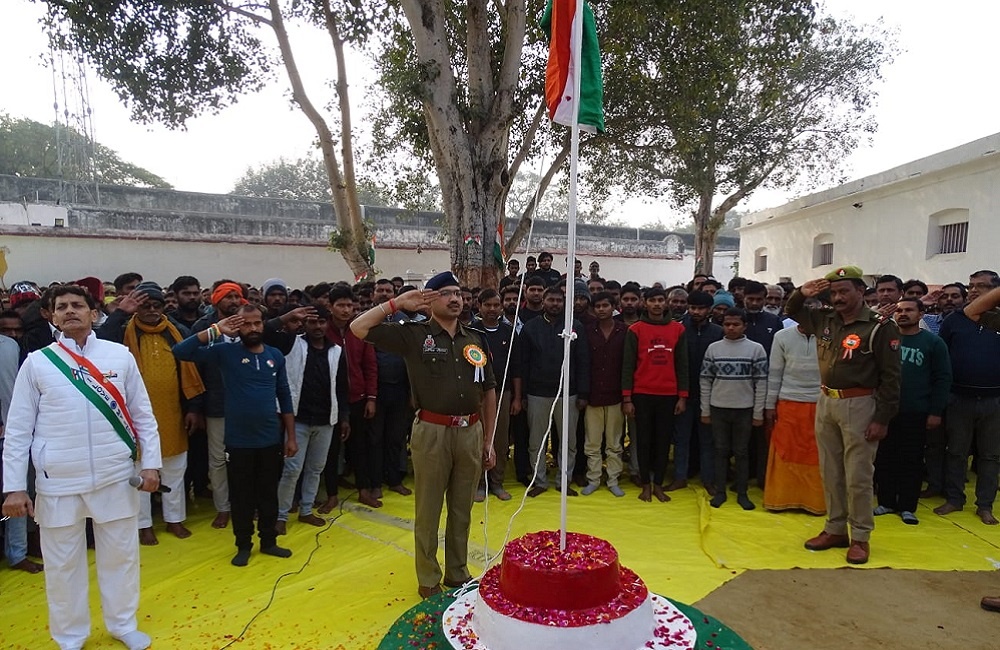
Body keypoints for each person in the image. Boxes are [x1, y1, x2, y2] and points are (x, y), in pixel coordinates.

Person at [2, 284, 162, 650]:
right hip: (58, 481)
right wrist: (14, 486)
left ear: (94, 313)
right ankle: (70, 635)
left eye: (78, 305)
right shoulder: (38, 362)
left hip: (115, 476)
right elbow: (18, 429)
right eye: (62, 307)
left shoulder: (119, 356)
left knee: (121, 558)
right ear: (50, 315)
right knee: (62, 567)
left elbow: (143, 415)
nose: (70, 310)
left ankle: (123, 625)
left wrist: (151, 464)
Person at [350, 271, 497, 599]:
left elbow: (488, 390)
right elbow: (358, 328)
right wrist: (396, 303)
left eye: (458, 293)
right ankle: (428, 577)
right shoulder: (413, 335)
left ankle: (457, 573)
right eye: (446, 293)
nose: (455, 299)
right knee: (429, 510)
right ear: (430, 300)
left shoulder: (474, 338)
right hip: (432, 431)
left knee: (462, 509)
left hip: (471, 431)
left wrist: (488, 440)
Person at [786, 266, 901, 565]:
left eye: (844, 291)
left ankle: (861, 537)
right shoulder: (824, 318)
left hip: (861, 404)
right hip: (826, 401)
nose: (837, 297)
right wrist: (802, 292)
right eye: (833, 292)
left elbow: (891, 377)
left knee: (859, 476)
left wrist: (882, 418)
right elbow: (792, 310)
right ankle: (835, 529)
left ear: (861, 292)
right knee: (831, 471)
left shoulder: (879, 325)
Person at [173, 304, 297, 567]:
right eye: (246, 324)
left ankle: (269, 542)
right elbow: (181, 351)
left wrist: (291, 437)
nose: (252, 329)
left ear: (264, 325)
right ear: (238, 327)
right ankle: (243, 544)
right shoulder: (225, 352)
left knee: (268, 494)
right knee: (241, 496)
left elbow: (284, 396)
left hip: (269, 440)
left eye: (257, 323)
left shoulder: (275, 355)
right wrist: (216, 330)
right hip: (239, 441)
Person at [119, 282, 205, 546]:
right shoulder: (124, 332)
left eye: (157, 305)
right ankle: (144, 525)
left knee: (175, 469)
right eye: (146, 306)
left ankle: (174, 519)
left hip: (173, 413)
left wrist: (193, 408)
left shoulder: (176, 331)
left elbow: (191, 370)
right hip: (135, 417)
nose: (152, 311)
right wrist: (122, 313)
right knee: (140, 471)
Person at [873, 298, 950, 525]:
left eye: (909, 310)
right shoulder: (885, 338)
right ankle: (886, 502)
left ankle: (907, 506)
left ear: (921, 314)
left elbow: (943, 378)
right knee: (885, 457)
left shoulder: (933, 343)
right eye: (899, 310)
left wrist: (936, 411)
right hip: (885, 410)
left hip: (916, 410)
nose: (903, 314)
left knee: (912, 459)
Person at [276, 307, 349, 535]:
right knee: (291, 469)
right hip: (297, 418)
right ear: (304, 324)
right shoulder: (292, 344)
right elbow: (269, 331)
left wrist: (344, 418)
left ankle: (307, 509)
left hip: (327, 419)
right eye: (312, 322)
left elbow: (342, 387)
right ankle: (281, 514)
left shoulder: (337, 350)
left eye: (322, 323)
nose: (317, 327)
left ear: (328, 324)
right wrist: (288, 318)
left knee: (316, 468)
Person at [935, 271, 1000, 525]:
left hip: (994, 400)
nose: (973, 290)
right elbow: (942, 358)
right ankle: (954, 499)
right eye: (970, 286)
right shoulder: (957, 319)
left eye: (981, 286)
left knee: (991, 456)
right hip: (958, 397)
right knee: (956, 452)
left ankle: (984, 505)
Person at [515, 286, 590, 498]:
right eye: (551, 300)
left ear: (564, 303)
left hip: (569, 393)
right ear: (544, 302)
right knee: (536, 441)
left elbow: (583, 362)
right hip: (537, 393)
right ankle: (539, 481)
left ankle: (563, 481)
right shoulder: (530, 328)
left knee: (569, 441)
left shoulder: (575, 327)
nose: (555, 304)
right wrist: (524, 395)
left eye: (559, 300)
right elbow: (524, 363)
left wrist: (583, 393)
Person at [621, 287, 688, 503]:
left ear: (666, 303)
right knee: (643, 441)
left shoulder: (678, 329)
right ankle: (645, 485)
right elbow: (628, 365)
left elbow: (682, 365)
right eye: (653, 301)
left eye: (660, 300)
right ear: (645, 303)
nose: (657, 304)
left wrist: (682, 396)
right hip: (642, 394)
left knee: (663, 441)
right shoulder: (636, 330)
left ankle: (658, 484)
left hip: (668, 395)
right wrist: (627, 398)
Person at [701, 308, 768, 511]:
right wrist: (705, 410)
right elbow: (705, 381)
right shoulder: (713, 348)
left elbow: (761, 383)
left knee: (742, 452)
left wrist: (758, 413)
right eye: (727, 324)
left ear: (744, 326)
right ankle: (720, 491)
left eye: (736, 324)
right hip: (718, 408)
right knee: (720, 451)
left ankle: (742, 493)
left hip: (744, 410)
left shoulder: (756, 349)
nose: (731, 328)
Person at [763, 320, 825, 515]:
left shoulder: (829, 336)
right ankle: (780, 499)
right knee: (784, 450)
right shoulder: (782, 336)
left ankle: (814, 502)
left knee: (816, 452)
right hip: (787, 401)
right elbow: (774, 373)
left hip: (820, 402)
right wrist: (769, 405)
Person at [674, 290, 723, 493]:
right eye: (692, 307)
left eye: (700, 308)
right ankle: (679, 477)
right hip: (682, 394)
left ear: (709, 310)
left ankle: (708, 479)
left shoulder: (718, 332)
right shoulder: (679, 329)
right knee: (681, 438)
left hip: (710, 395)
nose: (696, 312)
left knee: (707, 440)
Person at [582, 291, 628, 497]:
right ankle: (593, 479)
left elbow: (628, 365)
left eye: (605, 306)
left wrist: (627, 396)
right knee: (592, 442)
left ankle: (613, 480)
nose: (601, 309)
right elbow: (582, 363)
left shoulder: (624, 331)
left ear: (613, 307)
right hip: (593, 396)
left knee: (614, 442)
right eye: (598, 306)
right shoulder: (587, 330)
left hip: (616, 396)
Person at [473, 289, 514, 501]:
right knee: (478, 437)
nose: (492, 309)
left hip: (502, 392)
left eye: (496, 305)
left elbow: (516, 367)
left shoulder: (508, 332)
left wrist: (516, 397)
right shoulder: (471, 331)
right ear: (479, 306)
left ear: (501, 307)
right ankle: (479, 483)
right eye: (487, 305)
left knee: (500, 439)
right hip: (476, 394)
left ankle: (497, 483)